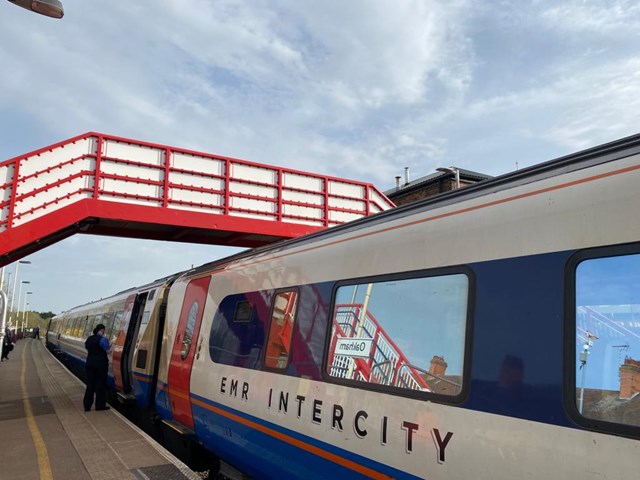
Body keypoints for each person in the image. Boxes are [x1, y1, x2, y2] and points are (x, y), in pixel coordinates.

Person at [83, 323, 111, 411]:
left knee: (90, 385)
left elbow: (87, 347)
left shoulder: (89, 339)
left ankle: (87, 406)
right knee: (100, 385)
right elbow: (108, 351)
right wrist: (112, 346)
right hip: (101, 365)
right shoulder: (103, 340)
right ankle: (99, 406)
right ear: (102, 330)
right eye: (103, 331)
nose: (103, 332)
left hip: (90, 363)